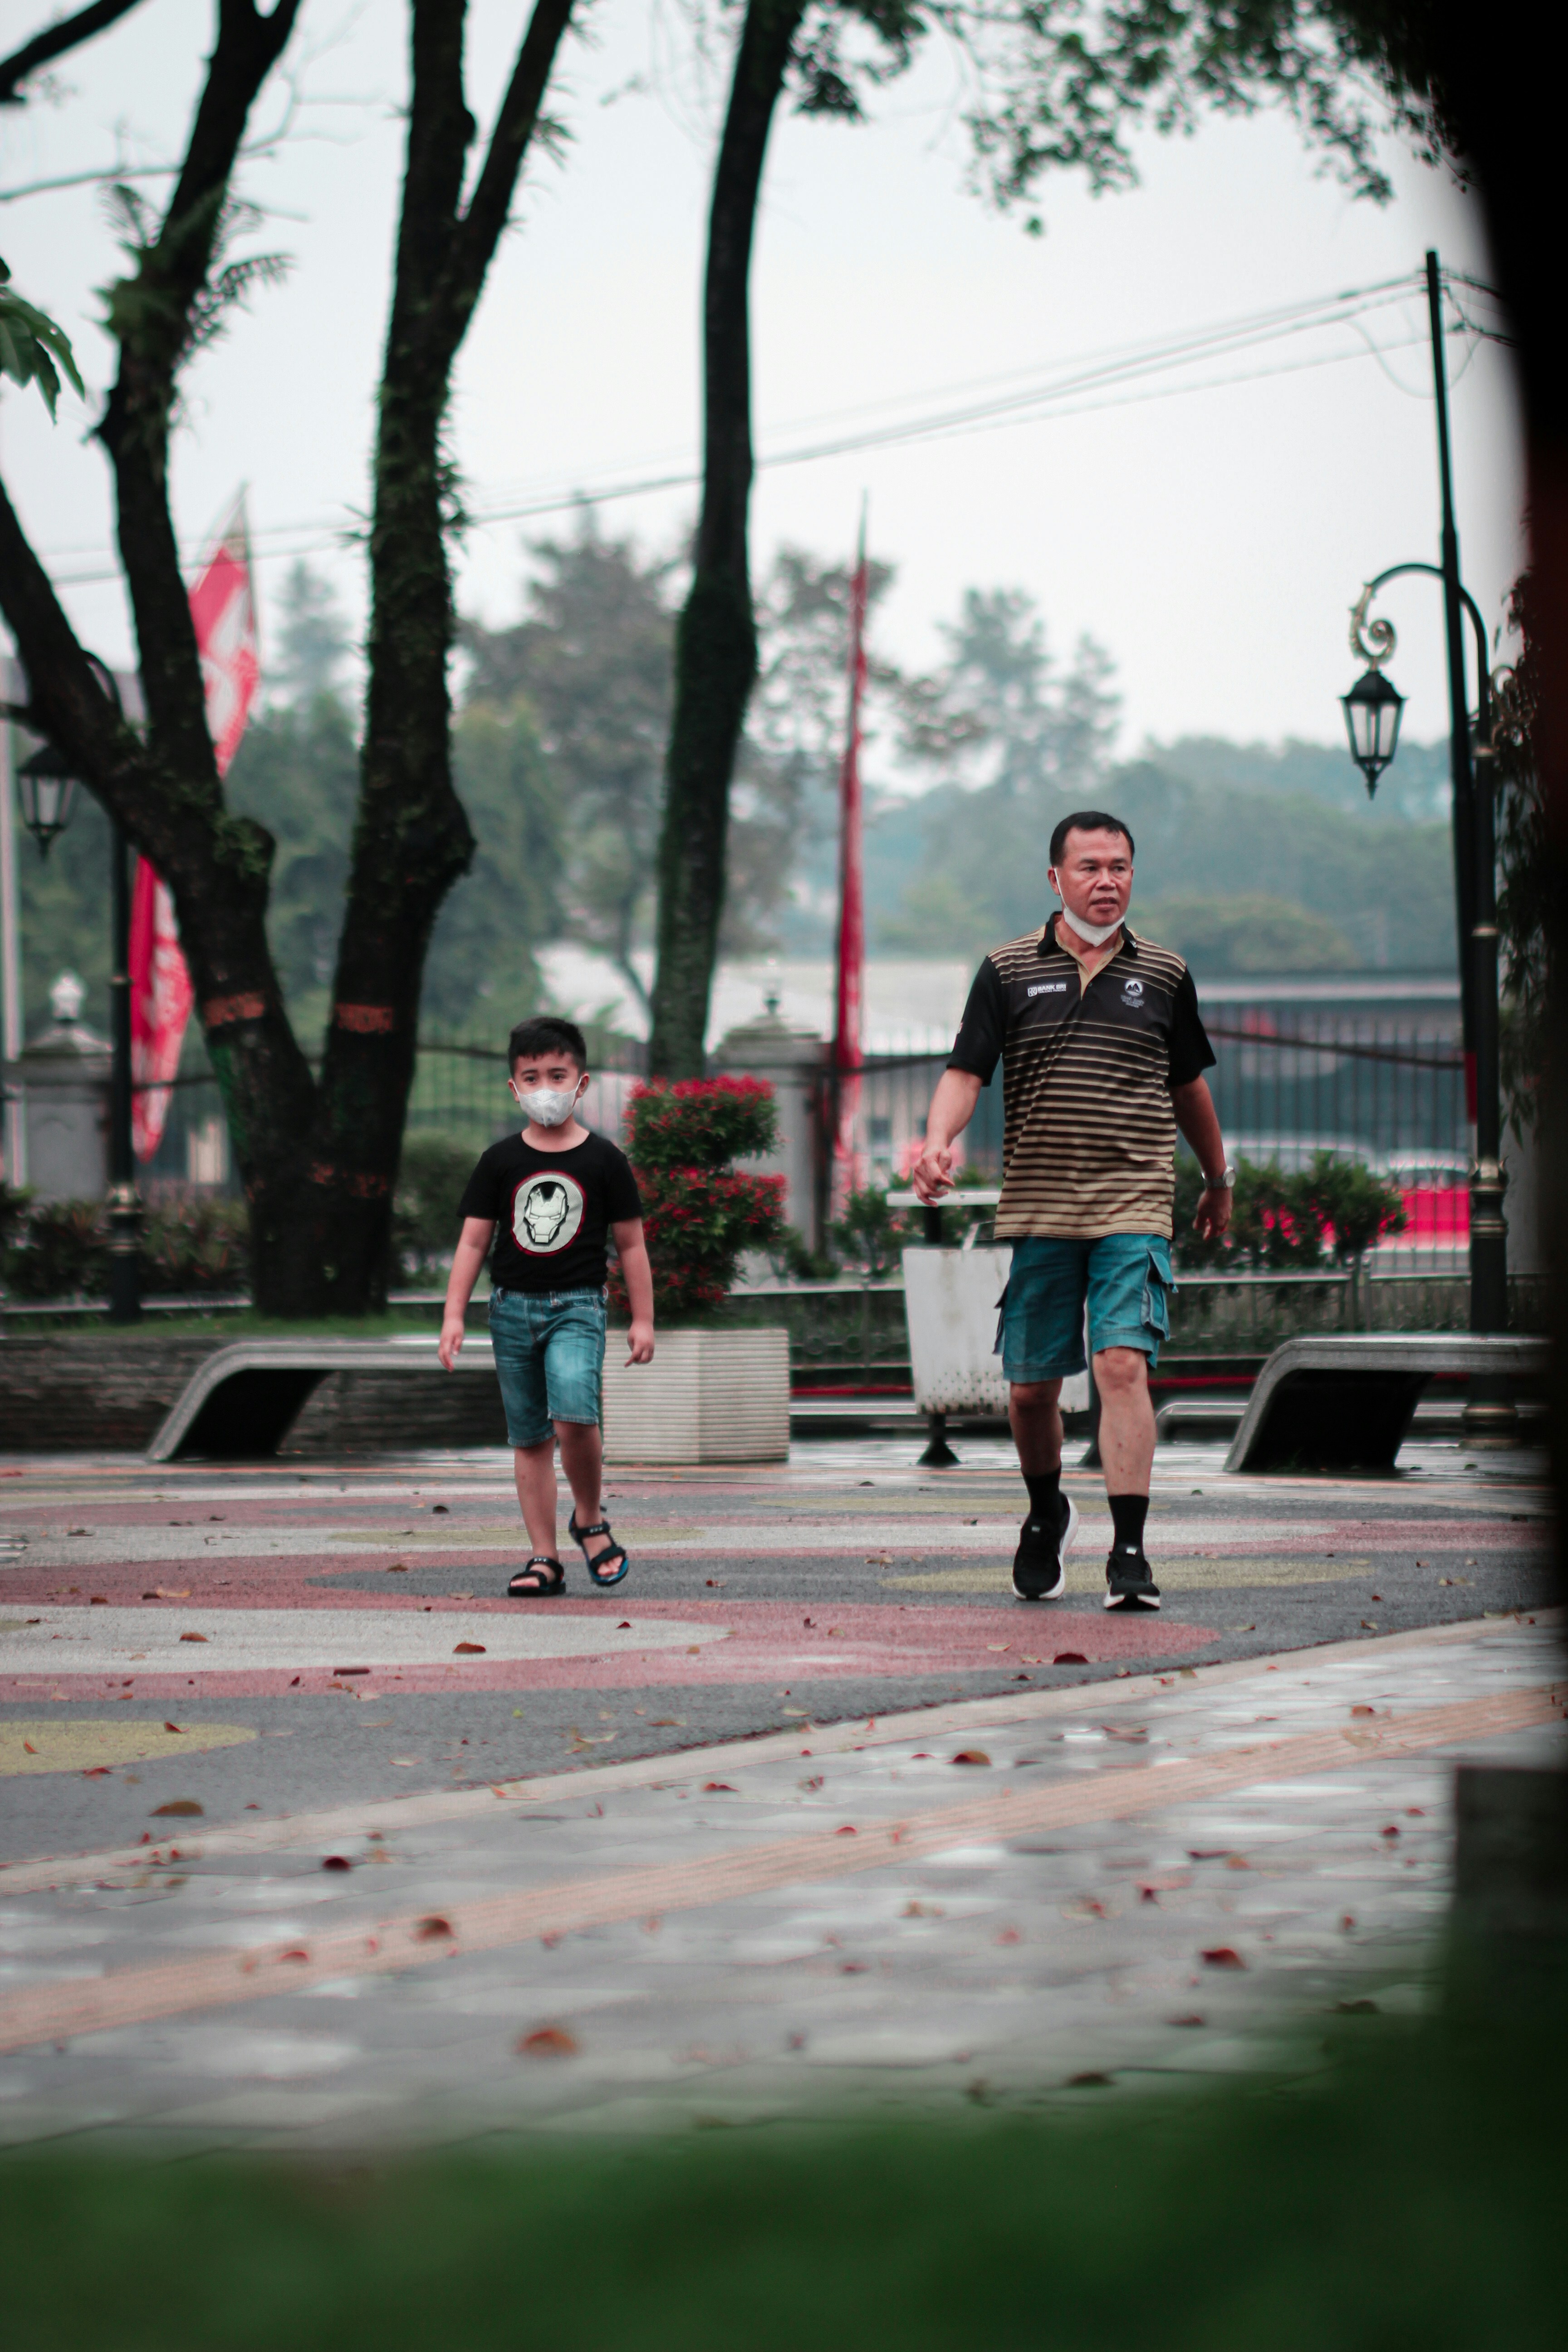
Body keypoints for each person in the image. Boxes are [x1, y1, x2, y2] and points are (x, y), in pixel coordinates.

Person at [912, 812, 1233, 1612]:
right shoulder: (1008, 969)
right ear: (1055, 879)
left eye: (1120, 865)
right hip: (1041, 1206)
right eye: (1088, 866)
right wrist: (934, 1140)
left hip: (1134, 1202)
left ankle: (1129, 1551)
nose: (1107, 880)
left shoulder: (1163, 973)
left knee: (1121, 1365)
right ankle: (1047, 1508)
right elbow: (965, 1070)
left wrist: (1217, 1176)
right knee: (1030, 1390)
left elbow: (1188, 1084)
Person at [439, 1016, 655, 1598]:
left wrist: (643, 1318)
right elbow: (473, 1242)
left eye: (557, 1075)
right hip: (510, 1311)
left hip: (578, 1307)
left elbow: (631, 1243)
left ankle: (589, 1516)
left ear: (582, 1082)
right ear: (514, 1088)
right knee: (530, 1437)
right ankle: (544, 1558)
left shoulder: (606, 1160)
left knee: (575, 1415)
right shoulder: (499, 1161)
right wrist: (454, 1315)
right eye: (531, 1078)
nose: (545, 1089)